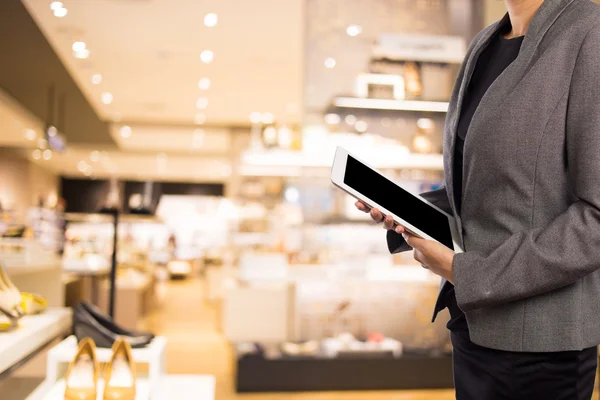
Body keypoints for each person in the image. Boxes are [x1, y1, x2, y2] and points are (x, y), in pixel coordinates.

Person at [356, 0, 600, 398]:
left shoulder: (589, 32)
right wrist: (406, 207)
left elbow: (595, 222)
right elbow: (482, 189)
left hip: (541, 351)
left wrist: (468, 273)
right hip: (473, 330)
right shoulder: (484, 44)